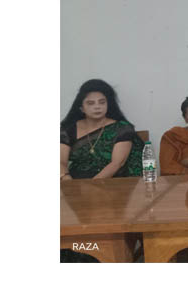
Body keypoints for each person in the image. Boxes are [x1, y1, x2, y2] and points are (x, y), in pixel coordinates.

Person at [60, 78, 144, 262]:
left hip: (110, 188)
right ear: (81, 107)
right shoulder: (68, 129)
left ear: (108, 104)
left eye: (102, 102)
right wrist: (68, 182)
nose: (97, 107)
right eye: (91, 103)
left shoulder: (122, 128)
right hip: (73, 185)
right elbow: (60, 160)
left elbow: (116, 164)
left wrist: (88, 190)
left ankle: (100, 258)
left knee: (98, 224)